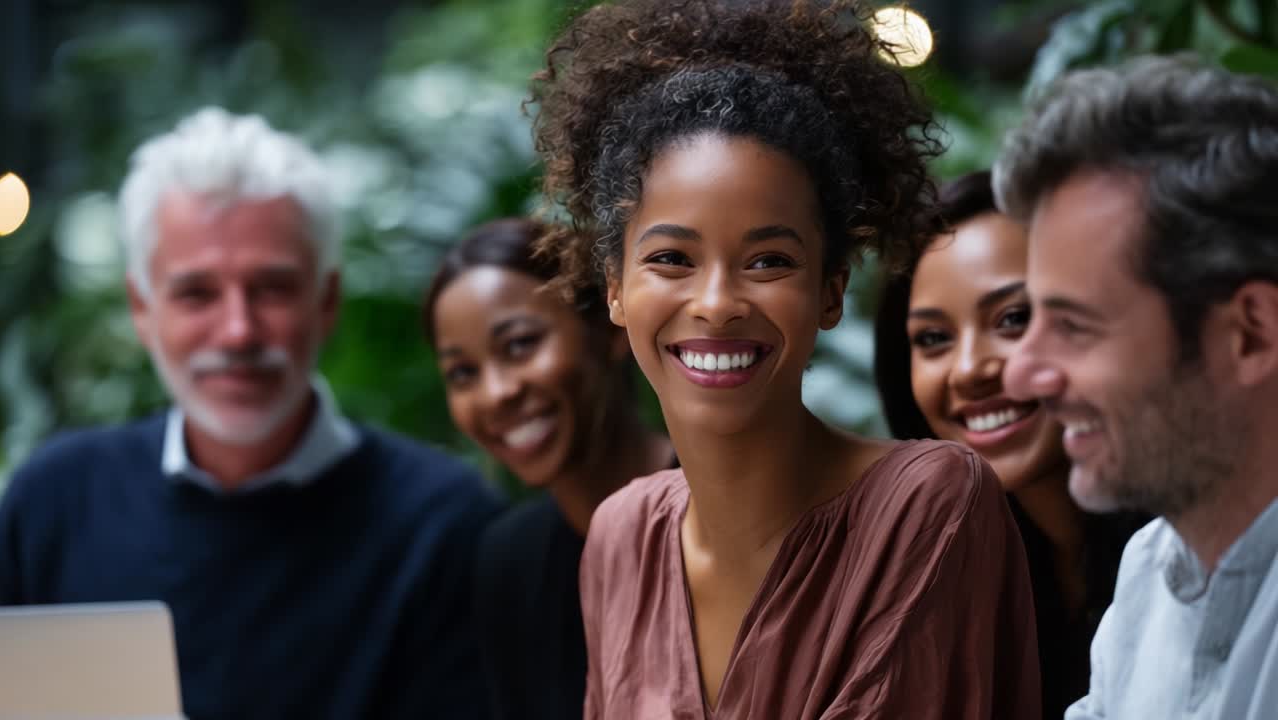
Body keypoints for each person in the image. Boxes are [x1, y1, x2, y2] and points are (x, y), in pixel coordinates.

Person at [529, 1, 1042, 717]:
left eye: (768, 260)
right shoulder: (621, 538)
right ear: (615, 288)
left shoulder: (927, 502)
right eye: (672, 258)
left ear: (830, 291)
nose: (717, 302)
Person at [0, 107, 501, 720]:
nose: (237, 330)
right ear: (141, 308)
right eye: (196, 293)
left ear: (327, 301)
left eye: (271, 288)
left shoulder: (443, 525)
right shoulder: (52, 504)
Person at [993, 55, 1278, 720]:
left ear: (1252, 334)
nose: (1021, 372)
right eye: (1028, 317)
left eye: (1075, 325)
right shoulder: (1152, 569)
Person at [873, 170, 1146, 718]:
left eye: (1013, 318)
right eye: (933, 339)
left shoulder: (1194, 544)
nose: (969, 369)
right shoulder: (953, 583)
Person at [423, 217, 675, 720]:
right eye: (463, 373)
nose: (497, 393)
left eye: (519, 344)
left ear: (608, 327)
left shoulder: (730, 507)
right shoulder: (509, 561)